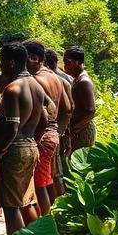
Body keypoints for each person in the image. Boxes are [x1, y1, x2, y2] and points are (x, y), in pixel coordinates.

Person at [0, 43, 54, 235]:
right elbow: (46, 118)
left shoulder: (12, 89)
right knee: (27, 200)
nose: (0, 67)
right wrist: (32, 141)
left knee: (11, 206)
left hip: (14, 149)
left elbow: (11, 127)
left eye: (1, 62)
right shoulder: (37, 86)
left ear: (11, 63)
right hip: (30, 146)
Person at [25, 41, 70, 216]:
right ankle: (51, 222)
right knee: (47, 180)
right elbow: (67, 108)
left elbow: (42, 114)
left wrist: (36, 139)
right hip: (52, 134)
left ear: (37, 59)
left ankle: (44, 228)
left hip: (41, 135)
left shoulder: (36, 80)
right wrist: (58, 132)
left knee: (39, 185)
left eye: (27, 58)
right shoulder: (55, 77)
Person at [44, 48, 74, 199]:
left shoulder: (54, 79)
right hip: (60, 130)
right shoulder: (65, 78)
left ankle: (58, 205)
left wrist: (60, 131)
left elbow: (68, 110)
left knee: (54, 173)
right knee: (57, 172)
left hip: (52, 131)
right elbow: (69, 110)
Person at [64, 47, 97, 152]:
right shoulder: (77, 79)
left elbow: (91, 111)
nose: (64, 66)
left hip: (82, 131)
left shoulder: (84, 81)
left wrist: (73, 131)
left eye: (67, 62)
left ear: (77, 62)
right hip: (78, 130)